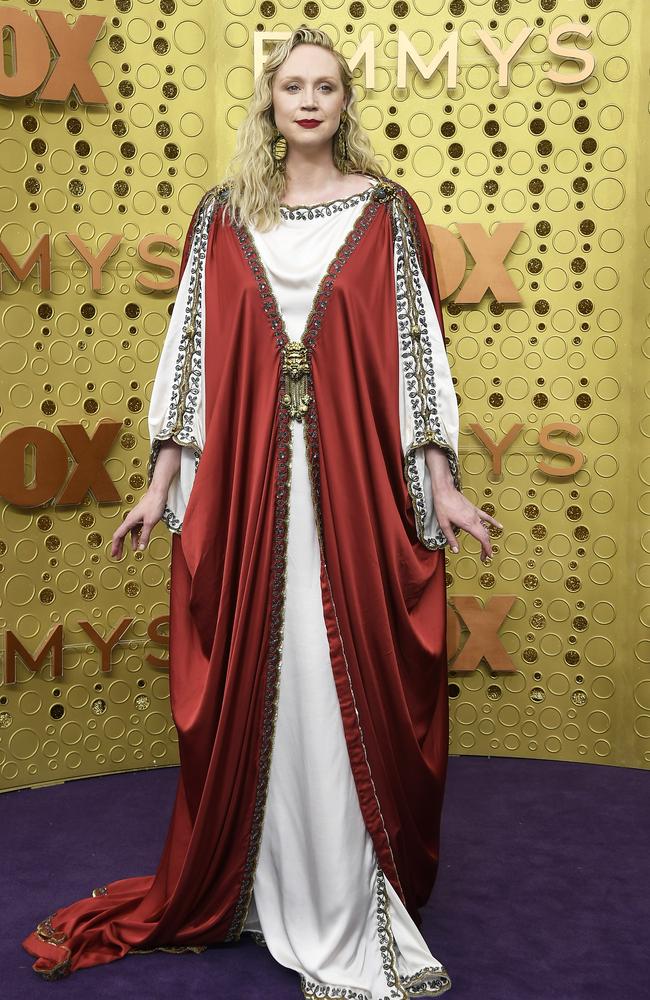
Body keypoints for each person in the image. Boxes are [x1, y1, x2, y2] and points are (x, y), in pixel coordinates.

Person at [21, 25, 501, 999]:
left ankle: (345, 895)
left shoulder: (383, 213)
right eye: (294, 86)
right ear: (270, 101)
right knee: (265, 677)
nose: (310, 101)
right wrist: (160, 482)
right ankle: (255, 879)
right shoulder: (224, 215)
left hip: (352, 497)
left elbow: (419, 361)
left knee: (336, 678)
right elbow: (187, 363)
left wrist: (439, 480)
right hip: (248, 495)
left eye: (326, 86)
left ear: (344, 101)